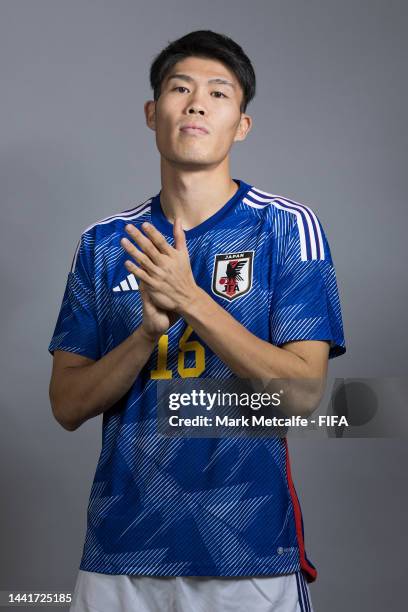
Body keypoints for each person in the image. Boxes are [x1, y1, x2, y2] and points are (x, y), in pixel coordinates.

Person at [48, 29, 346, 612]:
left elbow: (304, 393)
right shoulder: (106, 243)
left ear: (242, 124)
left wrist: (193, 301)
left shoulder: (286, 228)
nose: (196, 103)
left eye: (219, 92)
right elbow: (66, 405)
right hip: (119, 553)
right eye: (179, 88)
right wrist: (144, 336)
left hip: (247, 552)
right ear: (152, 112)